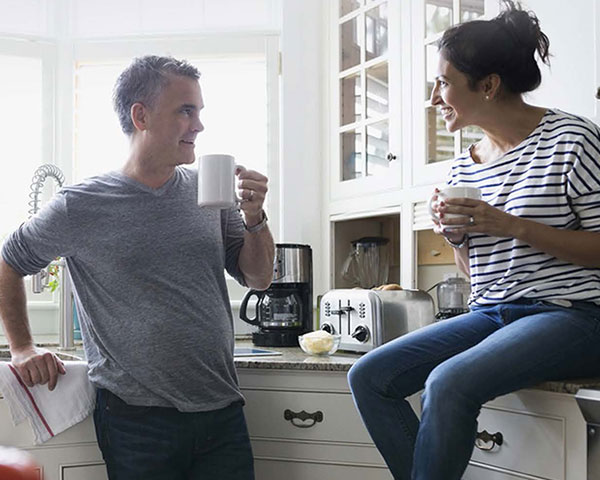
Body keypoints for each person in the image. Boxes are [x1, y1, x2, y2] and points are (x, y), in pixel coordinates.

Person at [347, 2, 600, 479]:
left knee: (446, 382)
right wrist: (456, 237)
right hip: (492, 312)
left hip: (573, 315)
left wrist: (508, 224)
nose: (434, 98)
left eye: (443, 83)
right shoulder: (464, 166)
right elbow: (475, 273)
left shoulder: (574, 140)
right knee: (369, 376)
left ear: (488, 84)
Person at [0, 55, 275, 480]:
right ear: (141, 115)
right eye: (186, 110)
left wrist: (256, 217)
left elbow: (258, 277)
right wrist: (22, 348)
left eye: (200, 112)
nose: (199, 125)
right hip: (137, 422)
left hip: (222, 409)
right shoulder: (82, 204)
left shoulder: (210, 191)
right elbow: (9, 261)